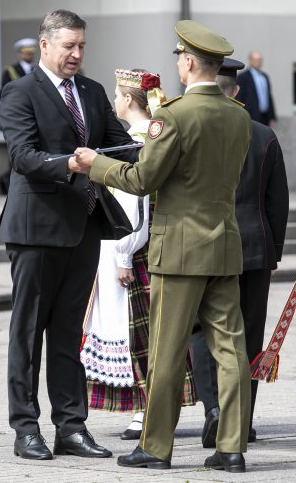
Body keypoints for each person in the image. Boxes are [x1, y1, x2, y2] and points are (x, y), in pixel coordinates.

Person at [72, 20, 252, 473]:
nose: (178, 65)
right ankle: (231, 447)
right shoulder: (238, 115)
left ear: (189, 63)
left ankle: (155, 448)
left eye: (179, 59)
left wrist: (97, 164)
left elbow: (142, 179)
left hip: (178, 250)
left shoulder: (171, 116)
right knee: (231, 352)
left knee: (167, 353)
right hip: (224, 245)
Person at [0, 9, 139, 461]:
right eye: (68, 47)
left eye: (81, 46)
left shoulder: (93, 92)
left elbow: (120, 142)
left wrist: (155, 136)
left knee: (66, 333)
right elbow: (22, 156)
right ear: (45, 45)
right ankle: (26, 429)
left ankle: (71, 427)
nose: (76, 54)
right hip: (36, 229)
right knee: (28, 331)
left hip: (85, 226)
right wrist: (71, 164)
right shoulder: (20, 91)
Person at [80, 68, 196, 441]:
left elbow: (135, 203)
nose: (115, 102)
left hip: (133, 246)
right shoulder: (155, 136)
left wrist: (124, 255)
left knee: (138, 331)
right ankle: (148, 407)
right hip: (146, 244)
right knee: (149, 330)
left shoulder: (136, 141)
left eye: (117, 95)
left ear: (128, 100)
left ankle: (147, 408)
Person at [190, 58, 289, 448]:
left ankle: (214, 409)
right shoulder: (264, 135)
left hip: (205, 244)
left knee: (202, 331)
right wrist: (274, 252)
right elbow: (277, 202)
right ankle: (242, 421)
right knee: (248, 335)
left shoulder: (195, 127)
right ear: (238, 91)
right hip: (254, 248)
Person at [0, 38, 38, 193]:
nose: (29, 56)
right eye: (26, 53)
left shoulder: (36, 69)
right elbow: (3, 93)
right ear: (20, 54)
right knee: (16, 150)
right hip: (19, 116)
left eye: (31, 53)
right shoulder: (10, 71)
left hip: (35, 115)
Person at [237, 51, 276, 127]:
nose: (258, 62)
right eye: (256, 59)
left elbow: (269, 97)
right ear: (250, 60)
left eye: (260, 59)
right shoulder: (243, 77)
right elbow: (239, 98)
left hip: (265, 117)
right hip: (251, 117)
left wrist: (272, 117)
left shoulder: (265, 76)